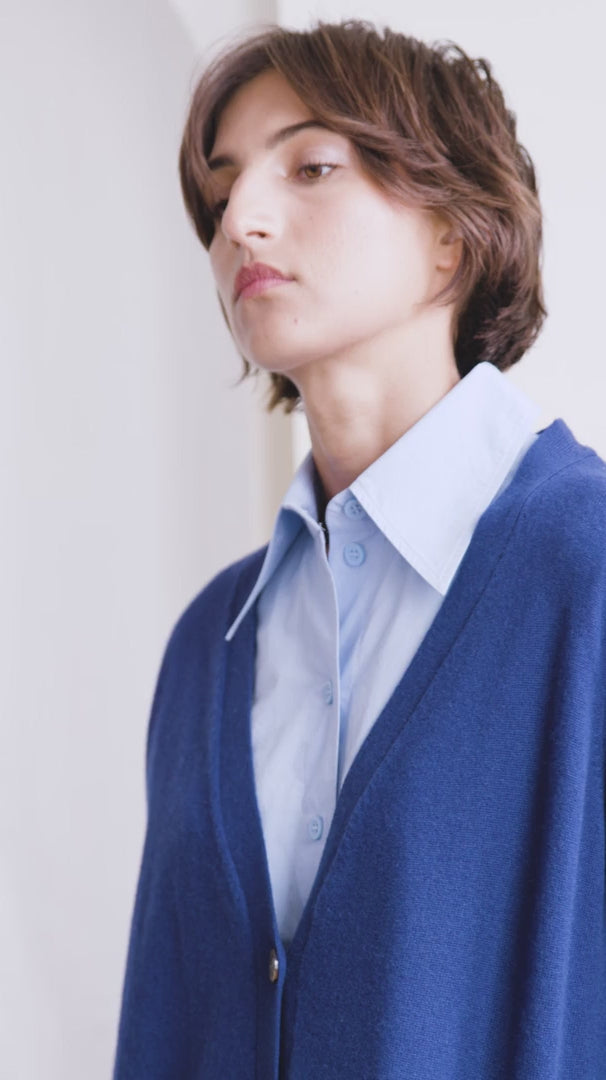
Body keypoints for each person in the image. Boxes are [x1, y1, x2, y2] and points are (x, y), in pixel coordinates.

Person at [112, 18, 606, 1079]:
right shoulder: (208, 649)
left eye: (312, 166)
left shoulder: (589, 573)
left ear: (453, 230)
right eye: (222, 191)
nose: (241, 219)